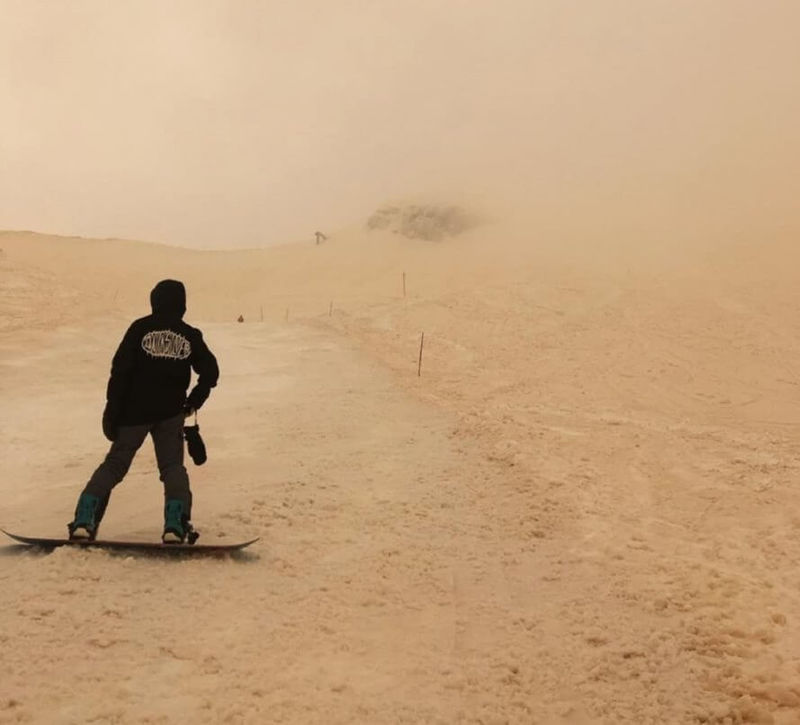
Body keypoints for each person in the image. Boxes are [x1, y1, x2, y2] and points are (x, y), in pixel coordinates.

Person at [67, 279, 219, 543]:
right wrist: (193, 401)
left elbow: (120, 371)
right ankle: (176, 525)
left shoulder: (140, 328)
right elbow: (210, 371)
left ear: (155, 301)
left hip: (133, 412)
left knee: (115, 465)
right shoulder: (189, 334)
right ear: (182, 304)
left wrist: (111, 411)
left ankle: (84, 519)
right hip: (171, 413)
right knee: (173, 468)